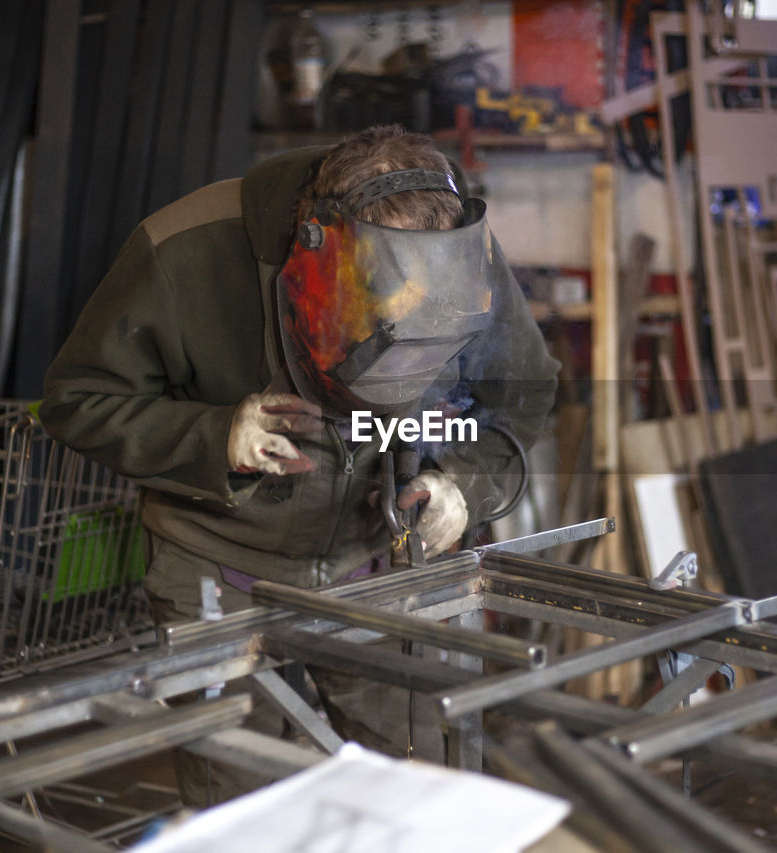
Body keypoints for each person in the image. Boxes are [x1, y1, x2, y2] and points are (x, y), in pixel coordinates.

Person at [39, 125, 559, 805]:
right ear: (316, 255)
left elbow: (524, 392)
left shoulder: (459, 252)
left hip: (377, 570)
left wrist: (463, 484)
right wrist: (215, 434)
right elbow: (79, 399)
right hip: (221, 578)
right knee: (249, 812)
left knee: (423, 791)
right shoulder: (184, 251)